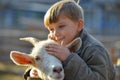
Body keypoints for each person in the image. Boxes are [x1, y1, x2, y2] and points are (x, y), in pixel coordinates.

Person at [24, 0, 116, 80]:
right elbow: (45, 64)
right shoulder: (56, 45)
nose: (55, 33)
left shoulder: (94, 50)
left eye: (61, 26)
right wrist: (34, 72)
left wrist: (68, 58)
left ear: (79, 25)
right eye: (51, 29)